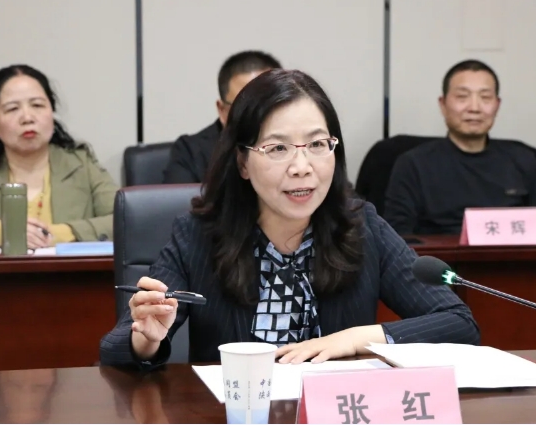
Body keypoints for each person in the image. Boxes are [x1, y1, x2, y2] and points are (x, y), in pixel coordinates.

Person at [100, 69, 479, 369]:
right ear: (242, 162)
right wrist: (146, 340)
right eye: (278, 148)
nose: (302, 167)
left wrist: (354, 339)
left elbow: (458, 323)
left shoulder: (362, 227)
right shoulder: (197, 235)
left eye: (317, 144)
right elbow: (114, 350)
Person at [384, 59, 536, 235]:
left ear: (497, 105)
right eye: (462, 97)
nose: (474, 108)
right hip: (441, 259)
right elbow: (396, 239)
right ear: (443, 104)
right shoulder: (413, 164)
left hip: (514, 258)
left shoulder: (524, 160)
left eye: (485, 97)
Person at [0, 64, 118, 249]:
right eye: (12, 109)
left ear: (52, 112)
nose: (27, 118)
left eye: (37, 105)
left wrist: (67, 233)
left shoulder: (80, 163)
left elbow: (127, 220)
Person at [162, 50, 282, 184]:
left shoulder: (298, 146)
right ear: (222, 111)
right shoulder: (191, 152)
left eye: (268, 103)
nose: (258, 115)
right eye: (243, 106)